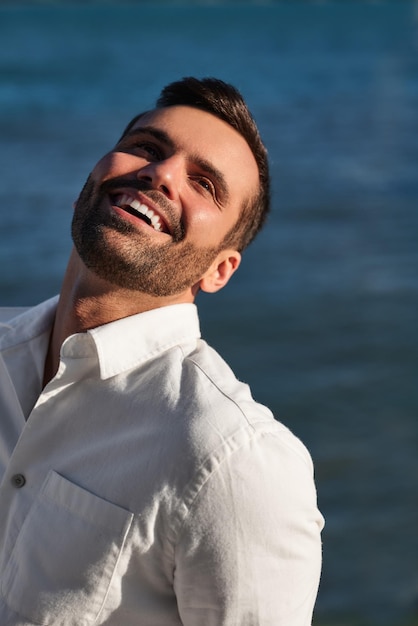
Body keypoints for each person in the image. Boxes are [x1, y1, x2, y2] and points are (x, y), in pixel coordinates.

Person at [0, 77, 324, 625]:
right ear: (89, 181)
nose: (161, 173)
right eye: (148, 148)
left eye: (205, 184)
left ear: (219, 270)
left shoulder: (234, 461)